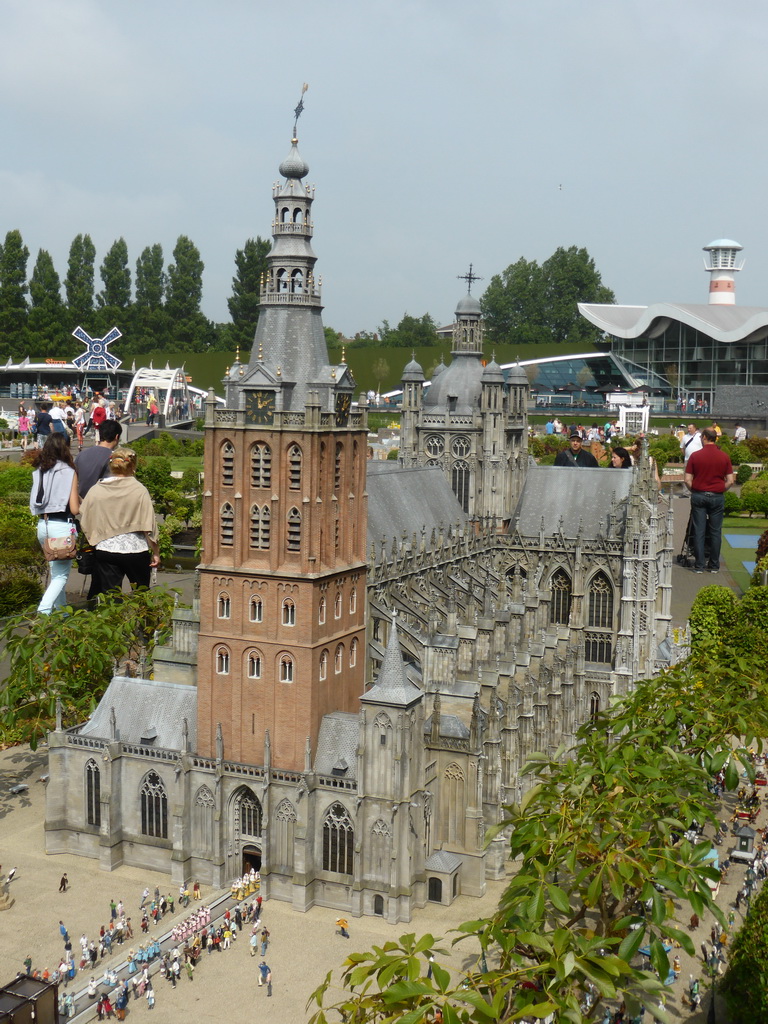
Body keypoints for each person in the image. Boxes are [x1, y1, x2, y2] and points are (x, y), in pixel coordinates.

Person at [79, 448, 160, 598]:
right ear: (133, 466)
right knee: (142, 597)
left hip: (106, 548)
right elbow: (149, 525)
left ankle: (112, 621)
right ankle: (144, 621)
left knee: (110, 599)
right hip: (135, 549)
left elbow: (85, 515)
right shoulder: (139, 490)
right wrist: (155, 551)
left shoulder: (97, 489)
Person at [26, 434, 80, 614]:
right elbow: (74, 508)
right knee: (61, 576)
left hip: (43, 525)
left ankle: (63, 615)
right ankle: (43, 611)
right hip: (62, 526)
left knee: (56, 573)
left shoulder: (40, 470)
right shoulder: (69, 471)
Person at [685, 427, 735, 574]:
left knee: (699, 531)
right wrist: (720, 490)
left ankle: (699, 565)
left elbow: (687, 479)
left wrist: (694, 490)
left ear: (705, 437)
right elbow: (730, 481)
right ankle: (713, 565)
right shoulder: (724, 456)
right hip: (717, 496)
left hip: (699, 494)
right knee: (715, 532)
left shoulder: (695, 456)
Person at [76, 420, 123, 499]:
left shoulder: (81, 455)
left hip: (82, 502)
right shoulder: (114, 458)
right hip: (102, 502)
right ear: (117, 437)